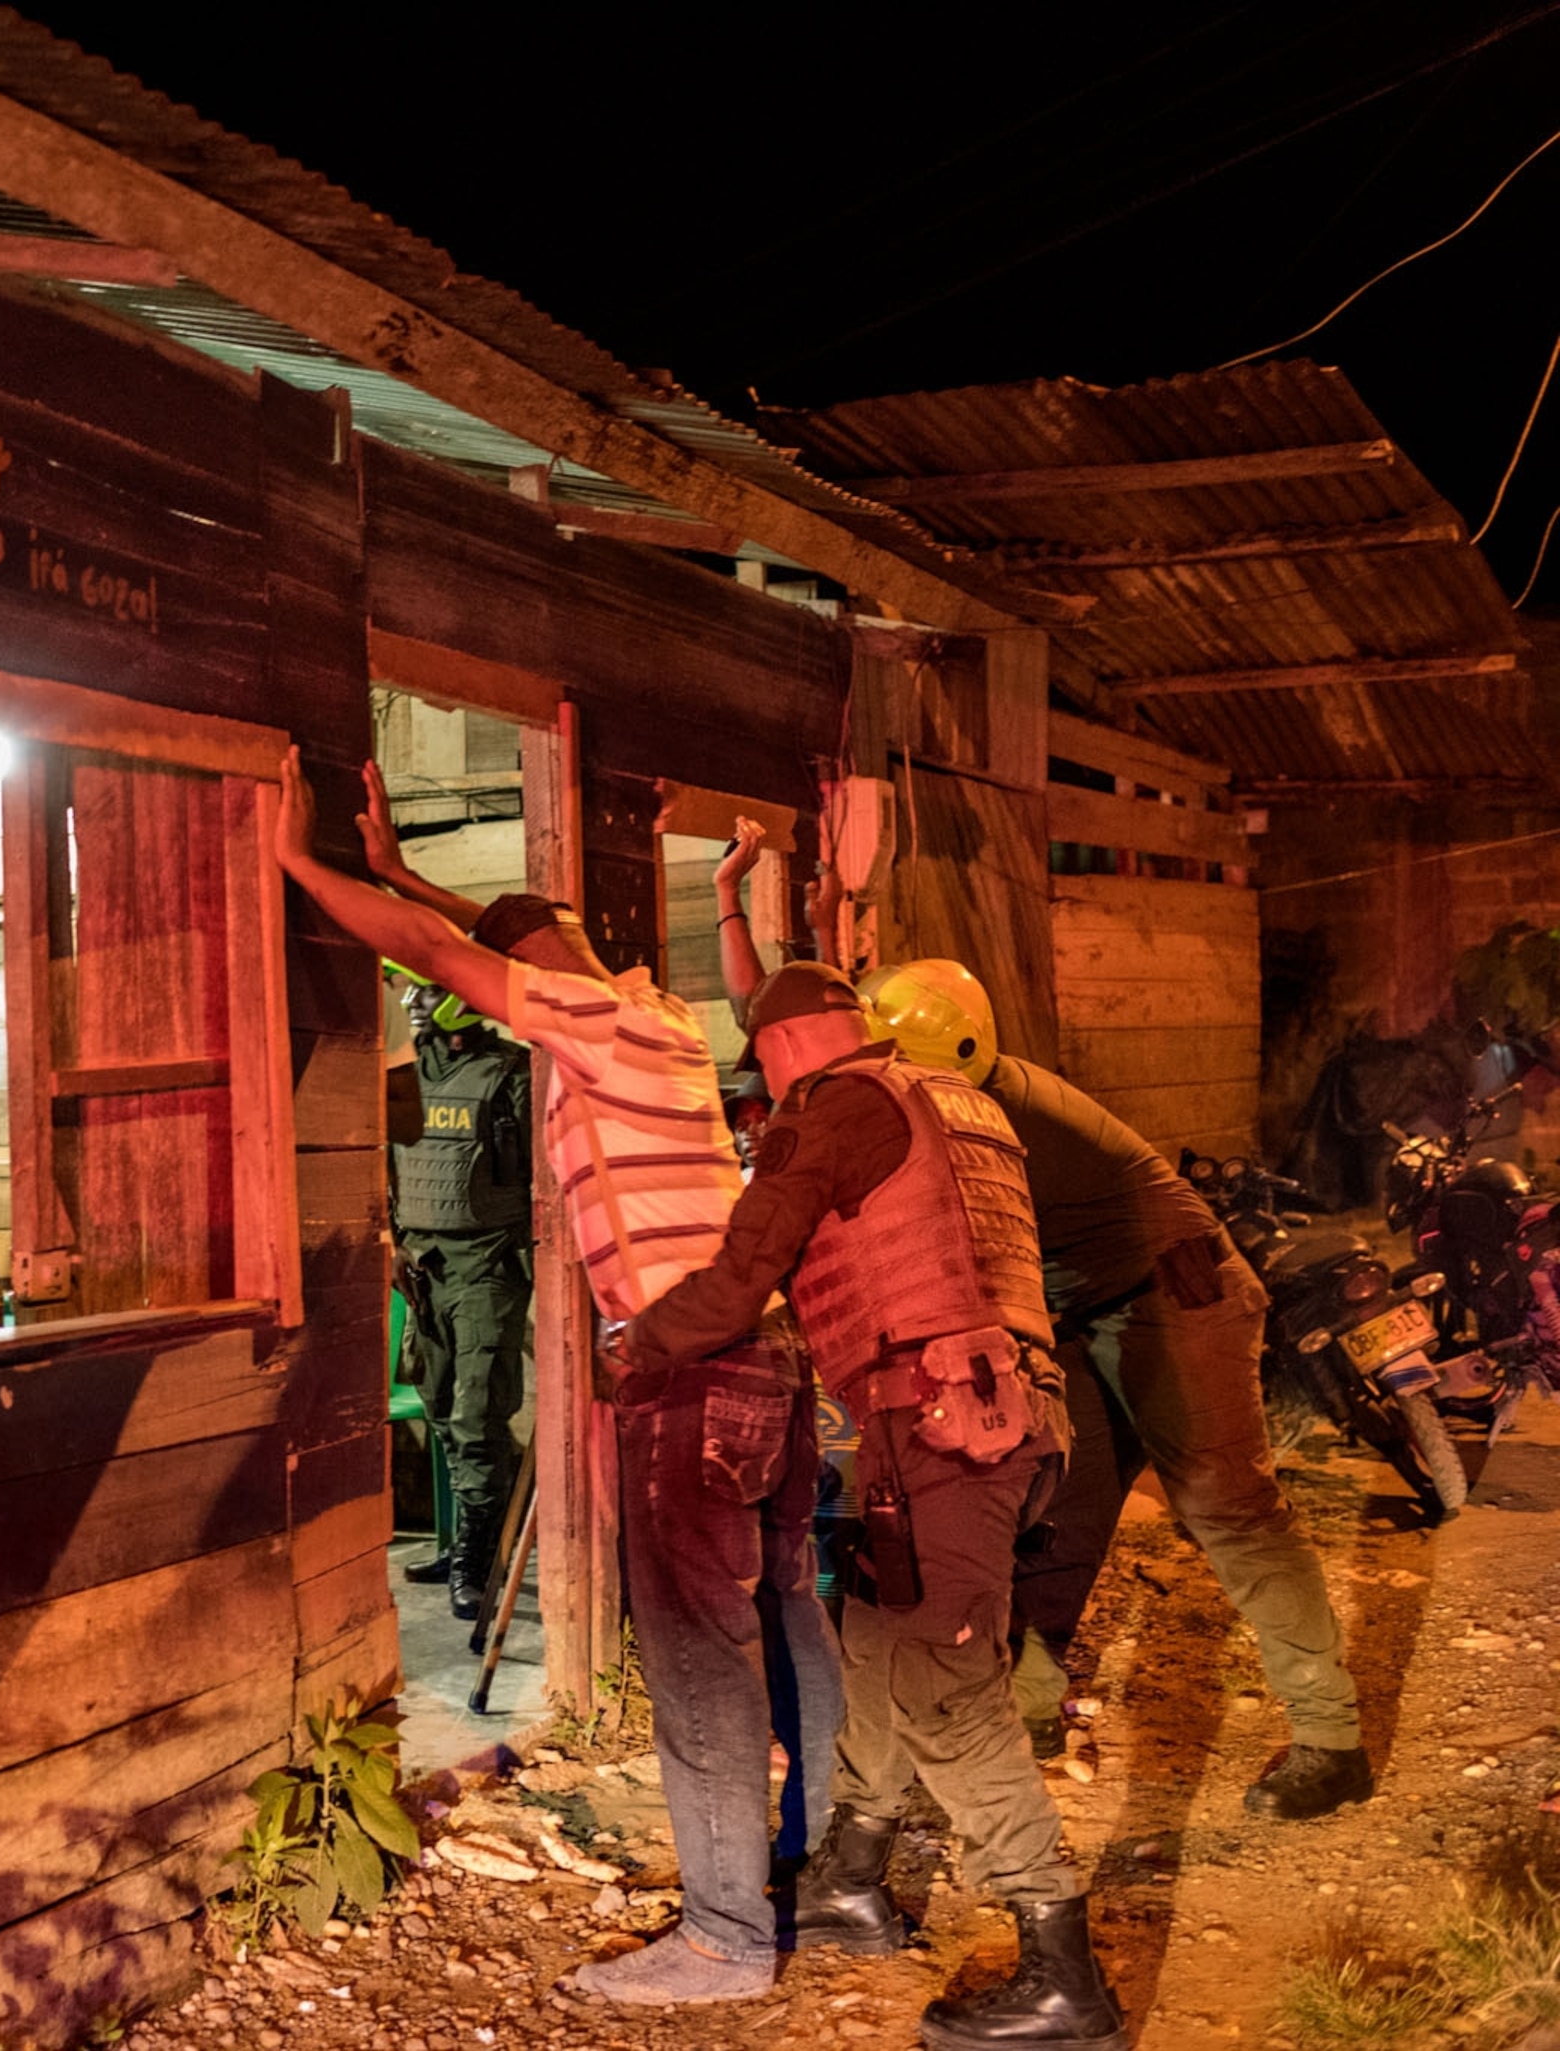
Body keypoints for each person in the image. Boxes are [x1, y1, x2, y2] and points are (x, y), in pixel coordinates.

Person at [277, 750, 838, 2010]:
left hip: (694, 1364)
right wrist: (400, 867)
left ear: (534, 971)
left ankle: (727, 1938)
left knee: (698, 1651)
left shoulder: (591, 1014)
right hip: (763, 1358)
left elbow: (445, 953)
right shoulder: (651, 1010)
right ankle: (829, 1874)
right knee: (787, 1618)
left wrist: (304, 864)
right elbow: (486, 935)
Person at [626, 962, 1128, 2051]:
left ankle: (1063, 1971)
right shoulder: (951, 1098)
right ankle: (851, 1879)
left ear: (780, 1047)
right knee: (872, 1642)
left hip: (939, 1426)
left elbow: (740, 1277)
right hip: (1010, 1414)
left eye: (762, 1063)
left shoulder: (834, 1108)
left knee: (943, 1687)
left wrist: (636, 1344)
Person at [862, 958, 1369, 1820]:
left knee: (1228, 1510)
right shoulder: (954, 1098)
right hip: (1083, 1310)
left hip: (1175, 1297)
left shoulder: (989, 1117)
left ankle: (1333, 1739)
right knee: (1058, 1509)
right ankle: (1028, 1708)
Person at [386, 970, 536, 1621]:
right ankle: (464, 1545)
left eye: (424, 991)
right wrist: (392, 1241)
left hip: (486, 1266)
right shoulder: (405, 1070)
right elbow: (384, 1158)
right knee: (442, 1404)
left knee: (478, 1417)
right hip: (424, 1264)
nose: (413, 1004)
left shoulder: (512, 1073)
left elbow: (540, 1176)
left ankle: (480, 1555)